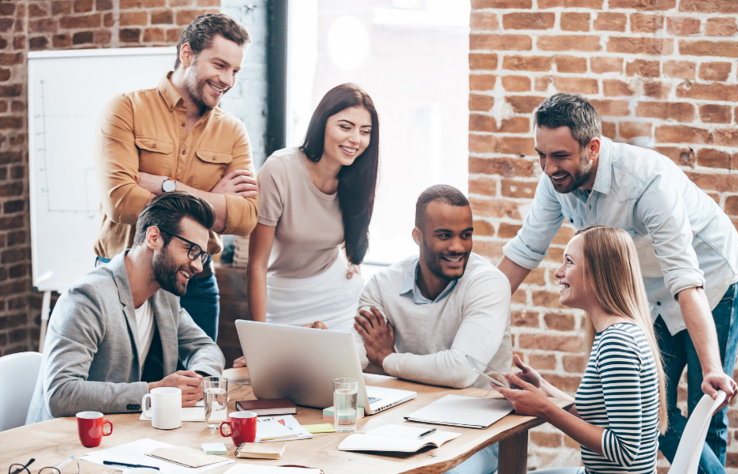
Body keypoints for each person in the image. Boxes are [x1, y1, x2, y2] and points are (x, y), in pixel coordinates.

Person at [498, 93, 738, 471]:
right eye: (541, 155)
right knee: (651, 409)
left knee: (707, 407)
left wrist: (713, 367)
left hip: (710, 285)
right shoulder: (555, 181)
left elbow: (685, 279)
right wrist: (476, 314)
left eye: (560, 156)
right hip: (653, 295)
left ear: (592, 148)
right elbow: (524, 251)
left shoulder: (647, 181)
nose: (548, 168)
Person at [92, 13, 260, 341]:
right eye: (220, 65)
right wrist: (214, 199)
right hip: (123, 278)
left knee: (196, 383)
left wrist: (169, 187)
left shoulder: (233, 132)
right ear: (187, 54)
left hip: (194, 283)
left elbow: (246, 218)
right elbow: (121, 201)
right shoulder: (125, 110)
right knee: (124, 387)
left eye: (235, 71)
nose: (228, 79)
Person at [26, 192, 225, 424]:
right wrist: (154, 392)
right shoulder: (88, 298)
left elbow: (205, 347)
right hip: (61, 443)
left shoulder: (164, 296)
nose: (199, 266)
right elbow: (61, 394)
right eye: (191, 251)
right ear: (154, 238)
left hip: (119, 436)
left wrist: (197, 380)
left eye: (202, 255)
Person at [353, 185, 511, 474]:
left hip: (477, 431)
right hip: (400, 422)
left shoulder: (488, 283)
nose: (458, 247)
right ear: (418, 237)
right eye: (444, 235)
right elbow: (353, 359)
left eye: (466, 234)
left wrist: (387, 360)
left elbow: (461, 370)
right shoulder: (382, 285)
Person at [495, 226, 666, 474]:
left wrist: (543, 407)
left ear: (598, 273)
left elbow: (625, 451)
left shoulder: (616, 342)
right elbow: (597, 415)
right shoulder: (618, 333)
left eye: (569, 262)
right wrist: (543, 388)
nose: (558, 272)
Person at [246, 83, 378, 332]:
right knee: (280, 370)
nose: (355, 139)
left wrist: (353, 263)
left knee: (344, 368)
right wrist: (257, 336)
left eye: (365, 131)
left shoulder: (357, 178)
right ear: (322, 124)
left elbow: (353, 233)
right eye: (345, 127)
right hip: (282, 297)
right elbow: (256, 265)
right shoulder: (280, 169)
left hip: (336, 296)